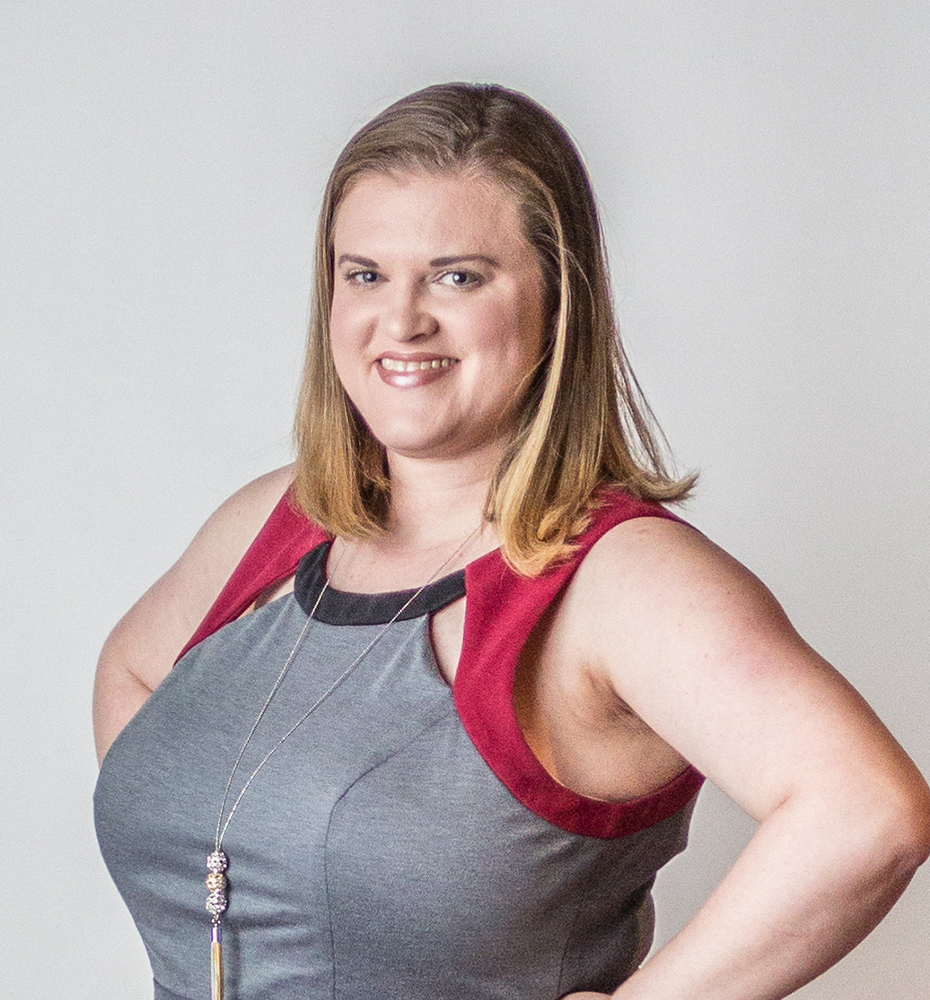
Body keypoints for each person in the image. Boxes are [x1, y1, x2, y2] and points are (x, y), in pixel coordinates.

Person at [93, 83, 930, 1000]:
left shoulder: (622, 580)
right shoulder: (272, 522)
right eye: (364, 274)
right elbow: (129, 672)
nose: (401, 321)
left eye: (457, 277)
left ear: (557, 301)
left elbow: (867, 814)